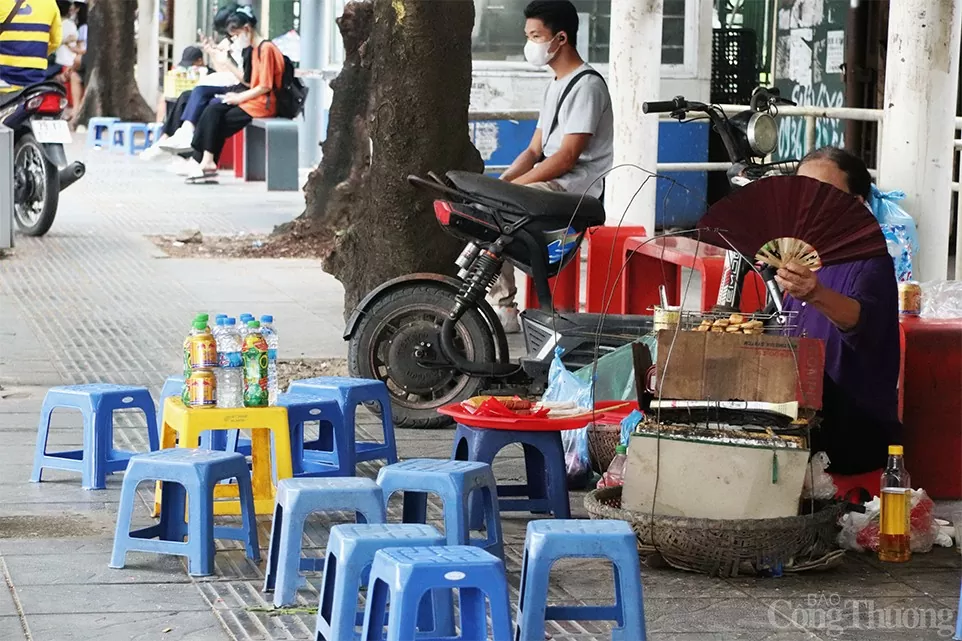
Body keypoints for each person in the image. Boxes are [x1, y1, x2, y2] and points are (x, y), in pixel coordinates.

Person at [488, 0, 613, 332]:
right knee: (482, 205)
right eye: (528, 36)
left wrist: (516, 188)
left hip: (572, 189)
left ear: (560, 39)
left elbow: (566, 157)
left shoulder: (587, 86)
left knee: (495, 212)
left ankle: (505, 307)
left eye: (536, 36)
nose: (531, 45)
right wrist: (500, 182)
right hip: (551, 183)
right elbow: (534, 149)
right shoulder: (555, 84)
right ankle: (500, 302)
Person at [778, 146, 901, 475]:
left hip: (853, 425)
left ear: (857, 205)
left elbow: (858, 320)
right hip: (807, 409)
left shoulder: (872, 260)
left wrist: (815, 292)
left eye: (825, 195)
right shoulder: (804, 256)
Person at [185, 5, 282, 183]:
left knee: (217, 119)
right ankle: (204, 161)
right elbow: (250, 81)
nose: (236, 40)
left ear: (247, 29)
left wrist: (238, 98)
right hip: (253, 99)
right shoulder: (255, 49)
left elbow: (265, 86)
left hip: (262, 104)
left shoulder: (266, 49)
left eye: (237, 35)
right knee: (213, 112)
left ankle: (204, 162)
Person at [0, 0, 61, 93]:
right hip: (34, 77)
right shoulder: (50, 3)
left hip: (3, 76)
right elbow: (56, 42)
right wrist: (36, 56)